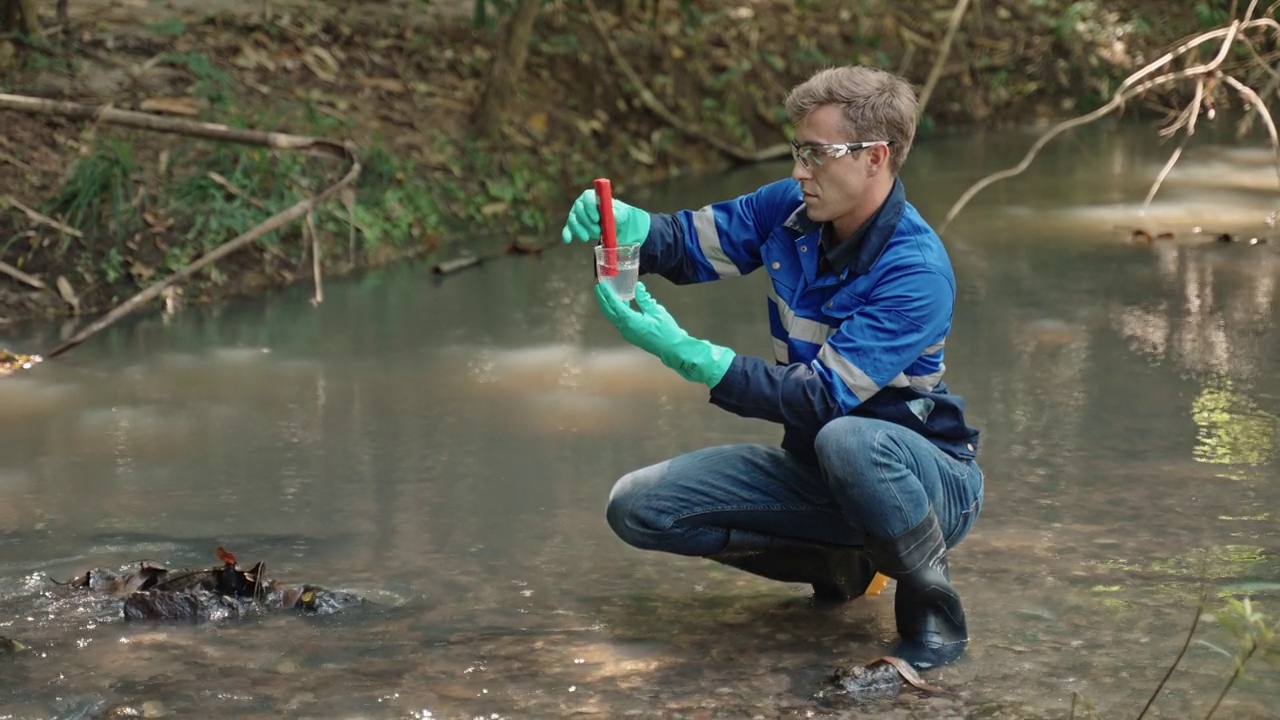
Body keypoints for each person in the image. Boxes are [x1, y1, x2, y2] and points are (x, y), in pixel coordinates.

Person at [560, 65, 983, 671]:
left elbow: (822, 398)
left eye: (817, 153)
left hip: (928, 482)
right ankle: (840, 564)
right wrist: (629, 224)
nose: (798, 171)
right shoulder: (790, 210)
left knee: (849, 438)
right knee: (638, 505)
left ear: (875, 158)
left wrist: (689, 354)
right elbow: (686, 244)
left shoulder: (916, 271)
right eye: (797, 150)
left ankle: (932, 623)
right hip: (818, 469)